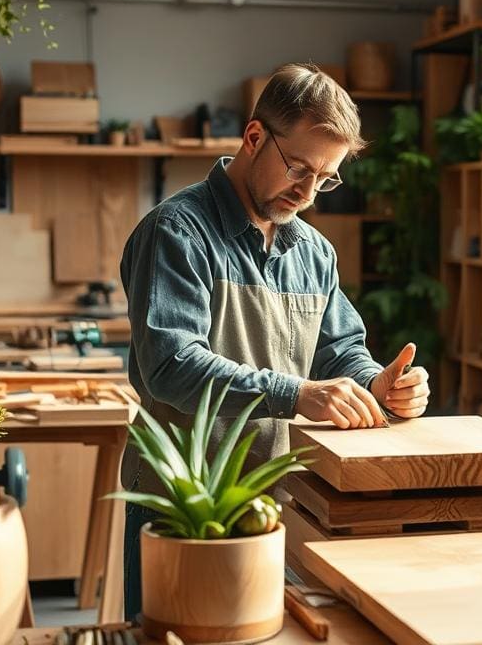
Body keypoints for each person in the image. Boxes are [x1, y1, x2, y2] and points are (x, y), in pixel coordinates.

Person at [118, 62, 430, 620]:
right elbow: (171, 365)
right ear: (254, 138)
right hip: (181, 504)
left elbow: (340, 351)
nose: (308, 191)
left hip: (277, 501)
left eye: (326, 178)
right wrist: (297, 394)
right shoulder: (176, 234)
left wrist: (377, 383)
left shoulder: (314, 252)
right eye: (299, 169)